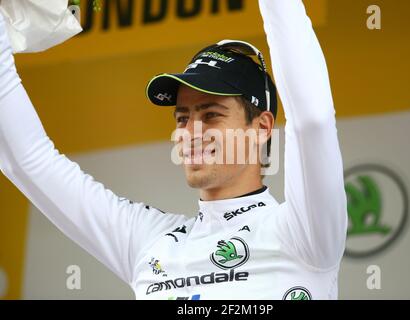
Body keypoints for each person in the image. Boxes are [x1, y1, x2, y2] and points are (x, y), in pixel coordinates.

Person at [0, 0, 347, 300]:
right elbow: (29, 160)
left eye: (211, 115)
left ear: (262, 127)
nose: (191, 133)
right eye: (182, 118)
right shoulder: (150, 242)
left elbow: (312, 120)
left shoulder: (302, 233)